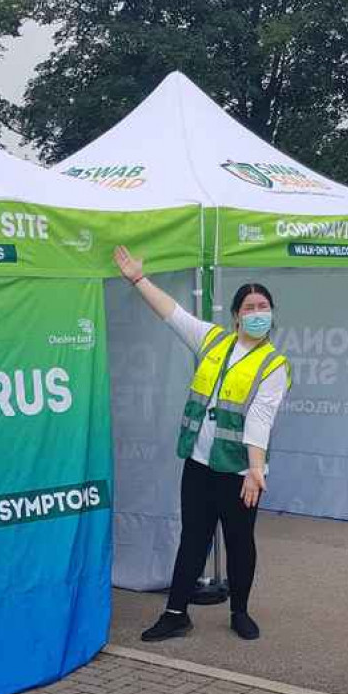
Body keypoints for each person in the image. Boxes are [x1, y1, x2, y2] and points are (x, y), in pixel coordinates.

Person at [113, 245, 291, 642]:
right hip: (198, 463)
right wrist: (139, 279)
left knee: (239, 541)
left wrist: (255, 470)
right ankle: (176, 613)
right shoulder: (213, 341)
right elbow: (172, 314)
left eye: (263, 306)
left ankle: (239, 611)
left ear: (272, 313)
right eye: (249, 307)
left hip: (240, 471)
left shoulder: (274, 366)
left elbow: (261, 420)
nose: (257, 312)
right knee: (193, 537)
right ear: (235, 315)